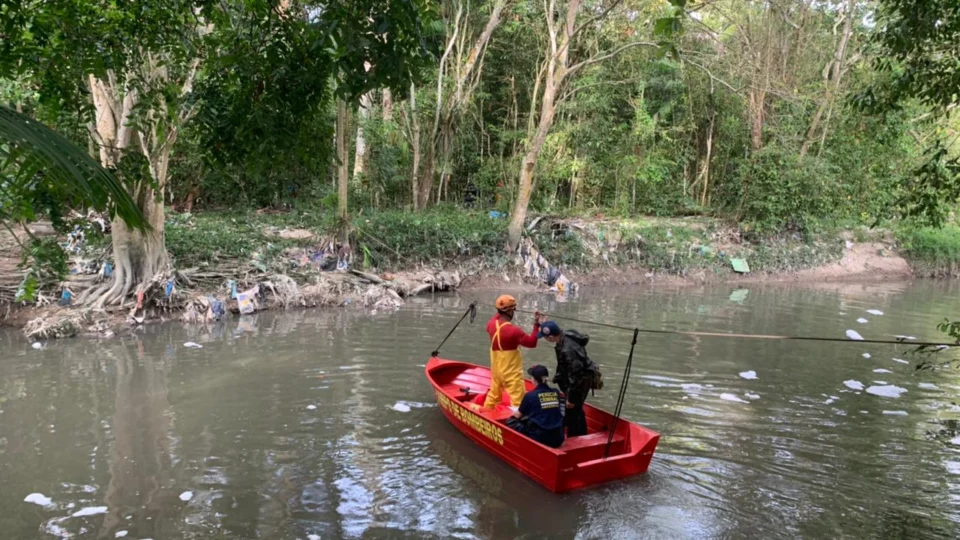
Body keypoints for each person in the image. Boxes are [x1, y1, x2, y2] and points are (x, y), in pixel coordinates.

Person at [538, 320, 597, 437]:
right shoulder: (564, 337)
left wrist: (571, 398)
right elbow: (565, 367)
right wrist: (556, 378)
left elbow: (576, 375)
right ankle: (582, 435)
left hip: (580, 381)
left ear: (550, 337)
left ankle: (575, 439)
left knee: (572, 410)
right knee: (577, 409)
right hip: (576, 378)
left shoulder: (568, 349)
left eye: (545, 337)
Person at [484, 294, 541, 409]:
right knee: (518, 402)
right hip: (511, 375)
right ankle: (516, 424)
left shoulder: (491, 325)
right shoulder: (514, 331)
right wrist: (537, 324)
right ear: (510, 311)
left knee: (493, 396)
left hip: (496, 372)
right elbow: (532, 343)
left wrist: (502, 307)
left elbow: (496, 317)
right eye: (513, 309)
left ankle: (485, 412)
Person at [506, 365, 565, 448]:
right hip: (558, 438)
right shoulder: (556, 392)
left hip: (540, 438)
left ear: (534, 379)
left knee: (511, 422)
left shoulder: (530, 396)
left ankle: (518, 446)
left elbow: (517, 415)